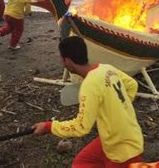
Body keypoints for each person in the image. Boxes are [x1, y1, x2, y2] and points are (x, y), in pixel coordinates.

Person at [33, 36, 144, 167]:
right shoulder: (106, 68)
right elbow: (132, 85)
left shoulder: (89, 85)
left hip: (123, 153)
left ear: (67, 60)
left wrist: (48, 127)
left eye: (62, 60)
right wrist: (117, 109)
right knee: (82, 163)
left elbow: (81, 127)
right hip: (117, 137)